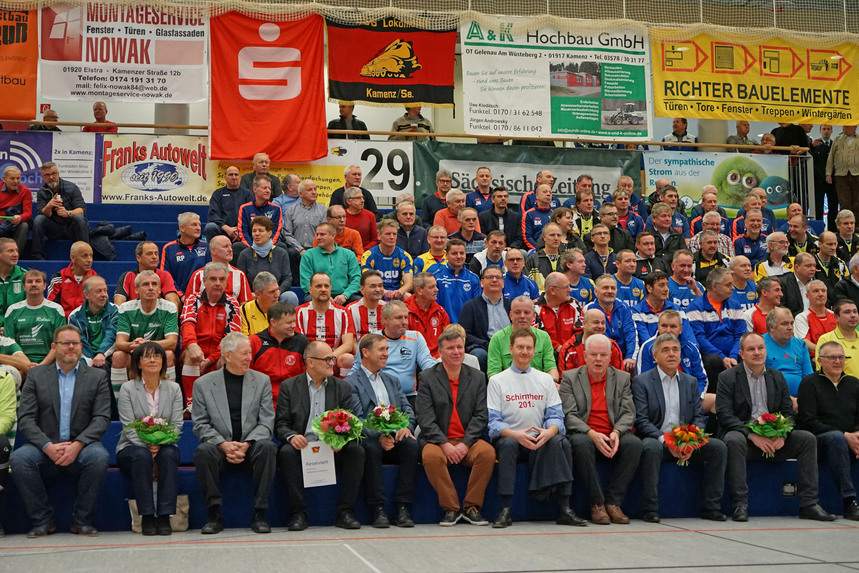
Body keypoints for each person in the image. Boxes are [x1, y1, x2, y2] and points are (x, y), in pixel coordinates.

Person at [716, 332, 835, 522]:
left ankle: (809, 504)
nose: (757, 352)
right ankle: (740, 504)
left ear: (766, 350)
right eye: (751, 349)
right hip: (746, 439)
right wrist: (752, 435)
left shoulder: (777, 377)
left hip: (774, 438)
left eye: (761, 348)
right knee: (733, 439)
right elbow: (725, 415)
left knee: (806, 439)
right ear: (742, 353)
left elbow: (788, 413)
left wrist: (782, 435)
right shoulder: (727, 377)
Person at [10, 325, 111, 537]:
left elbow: (101, 419)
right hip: (45, 448)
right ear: (54, 347)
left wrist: (78, 444)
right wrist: (47, 446)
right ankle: (43, 520)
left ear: (81, 347)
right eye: (65, 343)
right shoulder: (36, 375)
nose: (71, 347)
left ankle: (82, 520)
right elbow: (26, 419)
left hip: (82, 447)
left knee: (99, 457)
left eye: (75, 343)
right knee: (20, 459)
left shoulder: (97, 376)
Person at [487, 328, 586, 528]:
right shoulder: (497, 381)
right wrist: (515, 434)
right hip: (511, 435)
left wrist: (549, 432)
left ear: (534, 351)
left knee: (561, 441)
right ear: (511, 349)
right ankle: (505, 509)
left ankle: (564, 508)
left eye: (529, 348)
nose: (524, 351)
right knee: (507, 444)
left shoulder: (545, 380)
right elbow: (493, 423)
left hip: (537, 434)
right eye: (520, 347)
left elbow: (556, 415)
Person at [633, 333, 728, 523]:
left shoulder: (690, 382)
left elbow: (698, 417)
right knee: (649, 448)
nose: (671, 354)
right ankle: (650, 509)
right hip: (658, 440)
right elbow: (642, 421)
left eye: (675, 349)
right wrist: (666, 441)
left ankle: (712, 507)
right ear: (655, 356)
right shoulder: (642, 382)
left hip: (685, 440)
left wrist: (692, 439)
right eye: (665, 350)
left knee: (718, 447)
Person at [192, 332, 277, 534]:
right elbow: (200, 424)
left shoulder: (262, 381)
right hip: (220, 445)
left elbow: (266, 422)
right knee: (203, 452)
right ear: (227, 356)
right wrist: (223, 444)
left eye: (250, 353)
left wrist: (246, 444)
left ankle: (260, 513)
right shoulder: (203, 384)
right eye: (244, 354)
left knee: (268, 447)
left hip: (251, 445)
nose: (249, 357)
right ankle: (214, 514)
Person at [276, 341, 365, 530]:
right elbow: (281, 424)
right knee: (286, 452)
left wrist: (340, 439)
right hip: (303, 444)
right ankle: (298, 513)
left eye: (333, 358)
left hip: (332, 445)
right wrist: (292, 436)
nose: (332, 362)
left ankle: (345, 512)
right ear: (310, 362)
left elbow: (349, 421)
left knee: (357, 451)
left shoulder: (342, 387)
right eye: (327, 359)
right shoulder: (289, 387)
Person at [560, 334, 643, 525]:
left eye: (603, 355)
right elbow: (569, 414)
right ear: (585, 355)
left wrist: (616, 432)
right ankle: (597, 503)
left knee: (634, 444)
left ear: (610, 356)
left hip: (613, 434)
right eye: (594, 354)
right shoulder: (570, 378)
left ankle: (613, 502)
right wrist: (591, 433)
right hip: (586, 434)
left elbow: (628, 413)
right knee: (580, 443)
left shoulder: (621, 378)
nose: (598, 359)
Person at [416, 328, 494, 526]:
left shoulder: (477, 377)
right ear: (440, 352)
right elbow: (425, 418)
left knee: (487, 453)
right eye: (450, 348)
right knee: (430, 456)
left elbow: (480, 415)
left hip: (469, 441)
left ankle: (471, 507)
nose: (456, 352)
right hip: (439, 441)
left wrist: (465, 444)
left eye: (459, 347)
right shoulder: (427, 377)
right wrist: (444, 444)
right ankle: (451, 509)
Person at [346, 334, 418, 528]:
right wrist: (379, 436)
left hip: (396, 436)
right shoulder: (351, 382)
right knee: (369, 448)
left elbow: (408, 409)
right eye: (382, 350)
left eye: (387, 349)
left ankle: (403, 507)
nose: (386, 354)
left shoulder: (392, 380)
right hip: (372, 438)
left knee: (412, 445)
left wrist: (406, 427)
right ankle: (378, 508)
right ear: (365, 353)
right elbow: (356, 419)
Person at [116, 342, 183, 536]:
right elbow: (128, 426)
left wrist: (160, 444)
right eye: (146, 356)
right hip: (131, 447)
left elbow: (177, 424)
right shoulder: (128, 388)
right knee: (141, 455)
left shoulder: (174, 389)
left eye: (157, 356)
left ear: (164, 362)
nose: (152, 360)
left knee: (169, 454)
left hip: (166, 444)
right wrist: (147, 446)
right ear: (138, 363)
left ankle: (164, 515)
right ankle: (146, 516)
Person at [797, 340, 859, 521]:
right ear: (820, 360)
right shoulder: (809, 383)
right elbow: (809, 421)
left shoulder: (854, 384)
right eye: (832, 358)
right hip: (820, 439)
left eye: (841, 357)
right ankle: (849, 501)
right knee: (836, 438)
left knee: (840, 438)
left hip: (849, 436)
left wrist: (855, 434)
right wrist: (845, 435)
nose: (838, 361)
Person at [350, 301, 435, 409]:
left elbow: (428, 365)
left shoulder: (416, 337)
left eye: (406, 317)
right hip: (379, 397)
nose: (404, 322)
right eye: (399, 318)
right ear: (385, 319)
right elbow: (357, 368)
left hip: (409, 397)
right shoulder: (371, 339)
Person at [180, 263, 242, 403]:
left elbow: (230, 338)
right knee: (191, 354)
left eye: (222, 279)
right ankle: (192, 403)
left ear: (226, 282)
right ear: (204, 281)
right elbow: (187, 325)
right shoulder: (192, 299)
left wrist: (210, 359)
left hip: (218, 354)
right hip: (195, 351)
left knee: (230, 356)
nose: (217, 283)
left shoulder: (233, 304)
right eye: (213, 279)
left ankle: (224, 402)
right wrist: (192, 345)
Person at [111, 271, 178, 399]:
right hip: (134, 353)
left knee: (169, 354)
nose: (151, 288)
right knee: (118, 356)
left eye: (154, 284)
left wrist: (146, 345)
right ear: (136, 289)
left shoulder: (169, 307)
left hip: (158, 353)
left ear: (159, 289)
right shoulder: (126, 308)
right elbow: (120, 343)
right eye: (145, 284)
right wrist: (134, 345)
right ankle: (122, 404)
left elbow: (172, 343)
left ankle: (168, 401)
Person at [687, 267, 747, 387]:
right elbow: (699, 339)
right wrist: (722, 357)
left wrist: (734, 355)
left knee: (748, 356)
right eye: (728, 285)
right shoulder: (695, 307)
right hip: (711, 355)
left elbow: (740, 335)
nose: (733, 288)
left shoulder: (735, 305)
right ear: (715, 287)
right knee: (713, 360)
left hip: (733, 354)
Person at [636, 310, 709, 399]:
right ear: (658, 327)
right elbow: (642, 381)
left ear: (680, 329)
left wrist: (694, 398)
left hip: (688, 397)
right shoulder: (647, 348)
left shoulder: (691, 348)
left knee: (713, 401)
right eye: (664, 326)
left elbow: (702, 379)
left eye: (673, 326)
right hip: (657, 399)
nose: (668, 330)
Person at [296, 272, 357, 375]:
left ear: (330, 289)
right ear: (310, 290)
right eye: (319, 286)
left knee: (348, 359)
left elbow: (348, 344)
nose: (323, 289)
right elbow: (301, 343)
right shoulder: (299, 312)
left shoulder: (343, 312)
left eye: (326, 286)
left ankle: (344, 389)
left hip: (334, 358)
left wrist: (330, 357)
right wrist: (318, 359)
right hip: (310, 358)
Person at [487, 295, 559, 381]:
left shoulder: (544, 337)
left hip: (538, 386)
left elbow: (551, 367)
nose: (522, 316)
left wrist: (552, 382)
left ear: (533, 316)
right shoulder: (497, 339)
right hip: (508, 387)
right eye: (517, 312)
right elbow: (493, 373)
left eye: (526, 313)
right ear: (510, 315)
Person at [249, 302, 308, 403]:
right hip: (262, 400)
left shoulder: (301, 341)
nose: (293, 325)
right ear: (273, 322)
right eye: (289, 322)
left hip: (294, 399)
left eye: (294, 321)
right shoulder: (255, 342)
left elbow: (308, 375)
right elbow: (247, 375)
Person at [4, 270, 66, 365]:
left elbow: (59, 345)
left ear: (45, 285)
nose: (34, 284)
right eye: (29, 282)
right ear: (24, 286)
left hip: (49, 363)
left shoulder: (56, 310)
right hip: (19, 364)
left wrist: (41, 366)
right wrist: (26, 365)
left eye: (38, 281)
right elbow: (8, 345)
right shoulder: (12, 310)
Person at [31, 162, 88, 261]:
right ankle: (37, 257)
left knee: (79, 218)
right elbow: (43, 213)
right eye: (47, 175)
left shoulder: (72, 187)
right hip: (54, 229)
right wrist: (49, 206)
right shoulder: (41, 191)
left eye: (54, 173)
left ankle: (85, 254)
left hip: (72, 228)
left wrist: (68, 213)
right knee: (38, 219)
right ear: (43, 177)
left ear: (58, 173)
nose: (51, 177)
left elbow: (81, 210)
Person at [237, 216, 298, 306]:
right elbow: (241, 280)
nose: (256, 234)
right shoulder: (245, 254)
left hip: (276, 295)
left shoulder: (281, 253)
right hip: (254, 296)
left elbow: (288, 278)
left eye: (261, 231)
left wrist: (278, 291)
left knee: (290, 296)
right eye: (254, 231)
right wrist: (250, 294)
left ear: (269, 233)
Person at [460, 267, 511, 370]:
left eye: (498, 277)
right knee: (478, 355)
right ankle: (482, 385)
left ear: (503, 283)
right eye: (490, 277)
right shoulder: (470, 307)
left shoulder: (512, 306)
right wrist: (489, 344)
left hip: (510, 348)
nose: (494, 280)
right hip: (484, 349)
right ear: (482, 282)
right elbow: (465, 334)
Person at [299, 223, 362, 303]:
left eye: (322, 234)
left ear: (332, 235)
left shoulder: (349, 254)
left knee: (358, 300)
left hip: (344, 295)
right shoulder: (308, 255)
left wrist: (345, 295)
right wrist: (324, 295)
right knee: (308, 299)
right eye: (317, 234)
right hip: (318, 295)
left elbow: (356, 278)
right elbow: (306, 281)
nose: (318, 237)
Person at [585, 275, 637, 371]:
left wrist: (630, 357)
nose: (610, 291)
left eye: (613, 288)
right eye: (605, 288)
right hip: (600, 356)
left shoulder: (624, 307)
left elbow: (631, 333)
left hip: (623, 356)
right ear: (596, 292)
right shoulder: (589, 309)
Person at [68, 276, 117, 369]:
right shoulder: (75, 316)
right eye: (99, 291)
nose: (104, 295)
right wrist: (90, 360)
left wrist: (101, 354)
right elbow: (79, 341)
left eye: (105, 291)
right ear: (86, 295)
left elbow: (111, 336)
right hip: (84, 356)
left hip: (108, 354)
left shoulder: (116, 311)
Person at [114, 241, 181, 309]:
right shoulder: (128, 276)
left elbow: (173, 302)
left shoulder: (164, 275)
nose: (154, 257)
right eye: (149, 254)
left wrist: (172, 319)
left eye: (156, 253)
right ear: (138, 258)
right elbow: (118, 302)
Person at [187, 235, 252, 305]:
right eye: (225, 246)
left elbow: (246, 306)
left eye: (230, 246)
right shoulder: (198, 275)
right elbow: (189, 304)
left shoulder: (239, 275)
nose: (230, 250)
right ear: (213, 250)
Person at [160, 212, 211, 297]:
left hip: (202, 294)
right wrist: (181, 295)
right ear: (182, 228)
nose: (198, 228)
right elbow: (166, 277)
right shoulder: (169, 248)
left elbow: (210, 273)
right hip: (178, 295)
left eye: (199, 225)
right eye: (194, 225)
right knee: (171, 298)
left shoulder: (206, 247)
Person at [362, 219, 414, 300]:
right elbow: (368, 281)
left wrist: (400, 291)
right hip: (376, 291)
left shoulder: (404, 256)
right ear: (379, 236)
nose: (392, 237)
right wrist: (384, 292)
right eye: (388, 234)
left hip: (396, 293)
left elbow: (409, 283)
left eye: (394, 234)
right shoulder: (369, 255)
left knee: (408, 296)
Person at [558, 308, 623, 372]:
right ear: (584, 324)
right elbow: (566, 380)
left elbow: (620, 378)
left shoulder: (613, 347)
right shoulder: (569, 348)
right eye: (596, 322)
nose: (600, 326)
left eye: (603, 323)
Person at [433, 239, 481, 323]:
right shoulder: (437, 277)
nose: (459, 256)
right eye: (454, 253)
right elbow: (434, 306)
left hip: (466, 328)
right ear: (446, 255)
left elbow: (476, 307)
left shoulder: (473, 279)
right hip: (444, 326)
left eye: (462, 253)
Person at [282, 179, 327, 268]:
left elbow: (325, 233)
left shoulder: (323, 210)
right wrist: (300, 249)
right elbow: (287, 234)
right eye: (309, 190)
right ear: (301, 194)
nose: (314, 192)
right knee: (290, 252)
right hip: (297, 249)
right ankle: (295, 282)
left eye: (315, 189)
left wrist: (315, 249)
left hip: (317, 248)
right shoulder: (291, 210)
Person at [535, 271, 584, 351]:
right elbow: (538, 336)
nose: (570, 290)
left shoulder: (574, 304)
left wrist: (567, 348)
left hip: (571, 352)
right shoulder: (534, 308)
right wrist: (558, 348)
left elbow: (580, 331)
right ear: (552, 290)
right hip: (545, 355)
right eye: (566, 287)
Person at [46, 241, 97, 318]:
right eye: (84, 256)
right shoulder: (58, 278)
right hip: (63, 324)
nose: (89, 260)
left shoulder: (95, 280)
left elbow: (98, 308)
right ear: (73, 258)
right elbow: (52, 307)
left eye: (91, 256)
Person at [205, 165, 253, 244]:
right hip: (223, 229)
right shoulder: (218, 193)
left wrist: (239, 230)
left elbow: (251, 214)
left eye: (236, 174)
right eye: (230, 175)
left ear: (240, 177)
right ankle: (212, 254)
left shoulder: (247, 194)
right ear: (225, 177)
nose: (234, 177)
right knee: (210, 227)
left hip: (242, 230)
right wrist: (227, 229)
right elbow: (213, 215)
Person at [405, 271, 449, 358]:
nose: (437, 289)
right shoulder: (404, 311)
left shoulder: (441, 312)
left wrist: (436, 357)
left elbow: (447, 340)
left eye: (435, 286)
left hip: (437, 358)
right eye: (432, 287)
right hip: (412, 358)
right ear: (419, 290)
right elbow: (402, 343)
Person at [238, 176, 284, 253]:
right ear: (255, 189)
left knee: (282, 246)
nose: (268, 191)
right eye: (264, 188)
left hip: (270, 245)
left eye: (269, 188)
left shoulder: (276, 209)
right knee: (237, 246)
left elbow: (276, 232)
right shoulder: (244, 208)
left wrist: (267, 247)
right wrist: (252, 247)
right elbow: (243, 232)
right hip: (250, 245)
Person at [815, 299, 859, 379]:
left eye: (855, 311)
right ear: (836, 317)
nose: (853, 315)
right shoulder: (826, 340)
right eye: (847, 312)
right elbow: (822, 373)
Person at [794, 280, 837, 359]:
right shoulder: (801, 317)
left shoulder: (835, 316)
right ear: (807, 296)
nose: (820, 294)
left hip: (837, 356)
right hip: (814, 359)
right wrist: (828, 354)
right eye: (815, 291)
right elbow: (805, 343)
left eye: (823, 291)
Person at [825, 125, 859, 217]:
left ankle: (857, 226)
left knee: (857, 202)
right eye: (844, 126)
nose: (844, 128)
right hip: (840, 175)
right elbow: (831, 157)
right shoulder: (837, 139)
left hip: (857, 174)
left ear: (855, 127)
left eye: (847, 126)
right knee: (844, 202)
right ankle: (844, 224)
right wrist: (828, 173)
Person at [0, 166, 32, 253]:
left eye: (18, 178)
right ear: (4, 178)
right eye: (12, 178)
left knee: (24, 226)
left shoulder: (25, 191)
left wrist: (20, 217)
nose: (16, 181)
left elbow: (28, 213)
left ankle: (14, 255)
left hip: (15, 225)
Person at [346, 270, 386, 340]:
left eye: (380, 286)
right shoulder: (350, 310)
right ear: (362, 289)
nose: (378, 289)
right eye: (373, 286)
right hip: (359, 350)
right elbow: (351, 342)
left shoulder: (388, 308)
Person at [240, 272, 280, 337]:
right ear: (258, 294)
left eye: (277, 290)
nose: (277, 295)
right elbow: (244, 341)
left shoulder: (283, 311)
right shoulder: (244, 311)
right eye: (272, 292)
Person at [814, 231, 848, 304]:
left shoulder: (840, 264)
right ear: (820, 244)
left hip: (837, 305)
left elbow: (847, 287)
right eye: (829, 244)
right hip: (817, 303)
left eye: (835, 244)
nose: (833, 248)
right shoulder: (811, 263)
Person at [779, 252, 817, 316]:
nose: (813, 269)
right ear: (797, 267)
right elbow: (780, 309)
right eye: (808, 266)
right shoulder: (783, 283)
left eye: (814, 265)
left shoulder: (817, 284)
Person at [0, 238, 25, 328]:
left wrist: (9, 328)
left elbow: (30, 308)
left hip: (19, 328)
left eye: (16, 251)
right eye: (10, 251)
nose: (15, 254)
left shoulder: (25, 277)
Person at [522, 184, 556, 250]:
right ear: (537, 196)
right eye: (545, 192)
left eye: (550, 192)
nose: (548, 194)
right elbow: (527, 237)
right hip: (534, 249)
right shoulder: (528, 214)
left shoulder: (554, 214)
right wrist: (538, 249)